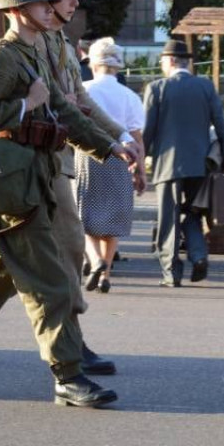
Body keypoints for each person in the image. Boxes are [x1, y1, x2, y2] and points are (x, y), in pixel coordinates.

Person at [0, 0, 138, 406]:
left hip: (32, 180)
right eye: (42, 2)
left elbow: (66, 114)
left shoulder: (35, 54)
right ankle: (68, 376)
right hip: (11, 188)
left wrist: (111, 147)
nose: (52, 8)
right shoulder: (2, 57)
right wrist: (24, 104)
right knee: (53, 283)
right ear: (18, 10)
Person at [36, 0, 135, 371]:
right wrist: (111, 145)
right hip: (35, 164)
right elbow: (66, 107)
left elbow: (81, 101)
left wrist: (121, 139)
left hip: (56, 160)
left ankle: (72, 345)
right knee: (67, 250)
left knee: (55, 256)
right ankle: (70, 354)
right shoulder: (34, 43)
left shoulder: (59, 42)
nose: (75, 1)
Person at [143, 39, 224, 287]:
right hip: (200, 164)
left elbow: (148, 131)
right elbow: (221, 125)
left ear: (170, 61)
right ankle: (199, 255)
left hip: (168, 165)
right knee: (193, 213)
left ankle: (171, 273)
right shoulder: (205, 87)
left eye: (162, 61)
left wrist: (140, 159)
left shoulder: (157, 88)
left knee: (169, 218)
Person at [75, 37, 147, 293]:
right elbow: (137, 138)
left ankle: (94, 260)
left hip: (87, 157)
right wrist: (140, 170)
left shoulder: (84, 91)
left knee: (86, 218)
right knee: (112, 220)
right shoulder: (130, 96)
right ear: (117, 66)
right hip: (121, 159)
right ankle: (105, 273)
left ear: (92, 63)